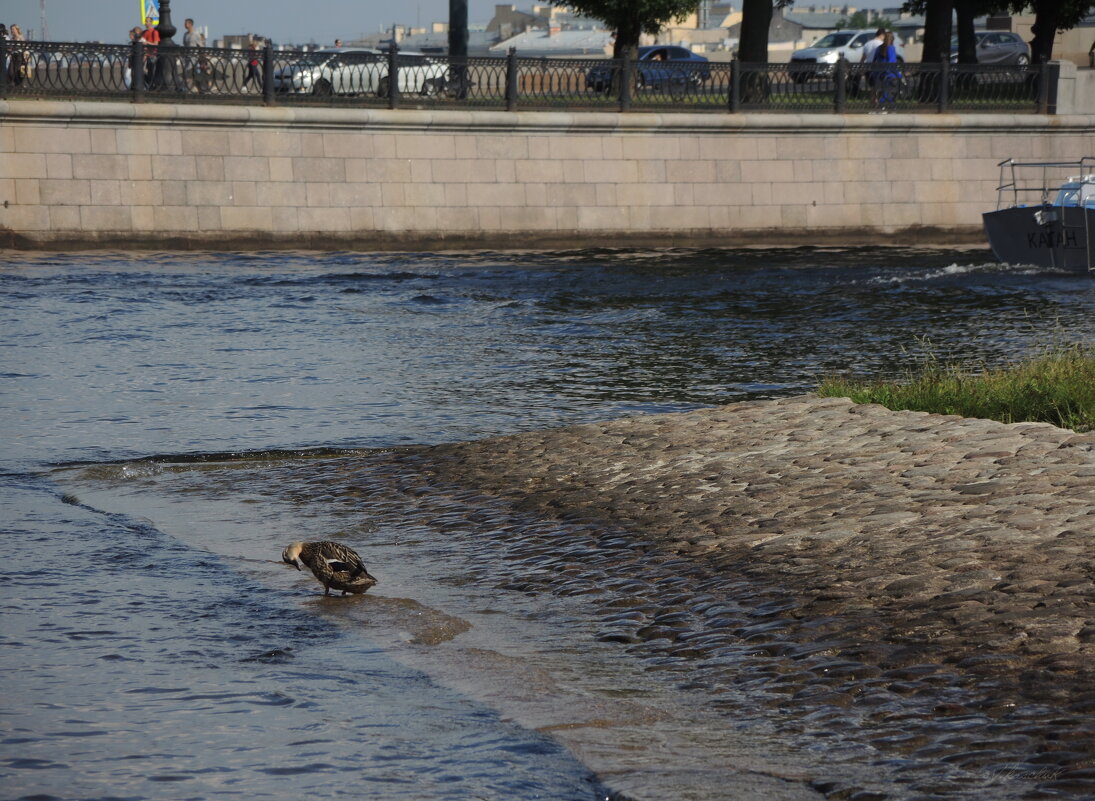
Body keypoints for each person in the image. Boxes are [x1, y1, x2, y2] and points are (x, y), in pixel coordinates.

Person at [872, 31, 899, 111]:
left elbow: (874, 60)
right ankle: (885, 104)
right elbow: (892, 61)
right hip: (890, 73)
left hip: (879, 73)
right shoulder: (891, 48)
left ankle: (883, 105)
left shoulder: (879, 48)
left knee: (884, 90)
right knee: (889, 90)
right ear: (892, 40)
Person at [183, 18, 207, 92]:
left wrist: (203, 59)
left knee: (188, 72)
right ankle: (200, 89)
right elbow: (184, 45)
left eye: (186, 23)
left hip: (194, 57)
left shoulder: (196, 34)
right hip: (187, 57)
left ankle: (187, 89)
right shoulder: (185, 35)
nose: (184, 25)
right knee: (194, 74)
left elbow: (201, 46)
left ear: (190, 24)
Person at [141, 18, 160, 88]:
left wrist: (147, 43)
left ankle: (151, 86)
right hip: (146, 55)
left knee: (151, 72)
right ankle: (149, 86)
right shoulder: (144, 32)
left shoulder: (154, 32)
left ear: (151, 22)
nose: (146, 23)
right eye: (145, 21)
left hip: (152, 55)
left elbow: (156, 44)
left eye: (147, 21)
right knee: (142, 72)